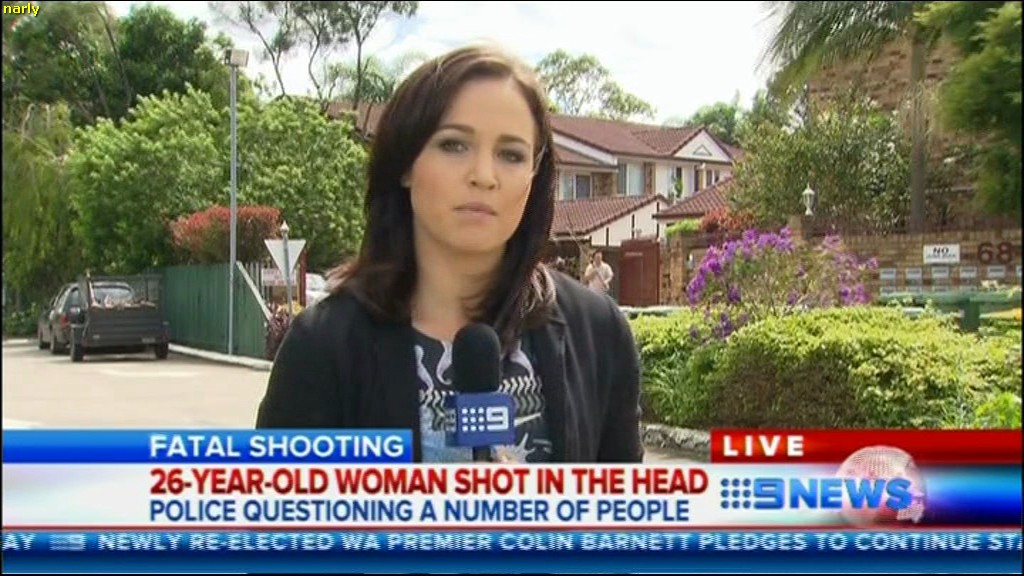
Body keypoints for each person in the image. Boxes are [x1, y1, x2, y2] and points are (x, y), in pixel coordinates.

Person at [255, 44, 643, 464]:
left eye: (511, 155)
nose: (484, 176)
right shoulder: (324, 345)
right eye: (454, 145)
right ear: (405, 163)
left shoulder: (598, 332)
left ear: (535, 173)